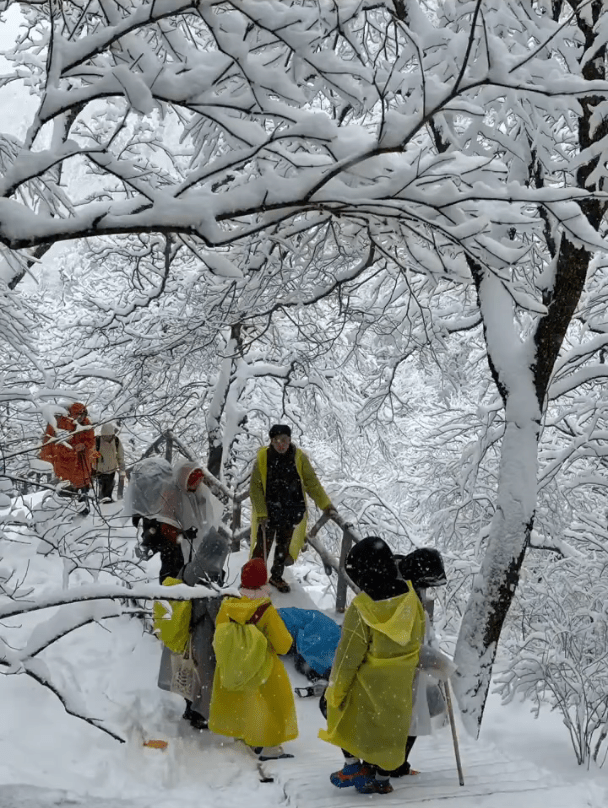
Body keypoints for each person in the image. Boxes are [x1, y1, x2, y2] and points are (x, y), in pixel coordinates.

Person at [318, 536, 425, 796]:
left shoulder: (362, 608)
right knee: (390, 728)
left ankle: (353, 766)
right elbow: (419, 635)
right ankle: (380, 777)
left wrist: (335, 691)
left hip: (369, 687)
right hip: (399, 688)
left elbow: (347, 657)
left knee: (331, 703)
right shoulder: (411, 597)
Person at [208, 558, 298, 760]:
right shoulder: (265, 609)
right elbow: (283, 644)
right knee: (269, 705)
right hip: (263, 667)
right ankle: (270, 747)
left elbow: (220, 630)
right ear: (263, 582)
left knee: (242, 701)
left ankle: (243, 737)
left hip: (234, 666)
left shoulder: (228, 604)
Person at [157, 526, 230, 730]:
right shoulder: (211, 574)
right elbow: (211, 607)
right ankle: (200, 716)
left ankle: (190, 709)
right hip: (203, 634)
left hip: (186, 630)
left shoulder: (190, 567)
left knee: (189, 671)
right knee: (204, 676)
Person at [390, 548, 454, 778]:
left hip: (412, 664)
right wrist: (431, 657)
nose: (426, 591)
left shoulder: (411, 588)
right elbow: (408, 636)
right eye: (425, 584)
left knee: (414, 714)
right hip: (399, 665)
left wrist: (434, 653)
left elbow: (425, 629)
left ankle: (397, 764)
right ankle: (391, 765)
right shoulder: (396, 593)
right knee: (405, 717)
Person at [249, 424, 336, 593]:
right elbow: (255, 487)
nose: (281, 444)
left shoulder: (298, 457)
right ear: (271, 442)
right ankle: (254, 578)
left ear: (290, 440)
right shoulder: (263, 457)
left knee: (283, 546)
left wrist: (326, 504)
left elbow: (312, 483)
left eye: (285, 440)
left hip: (290, 510)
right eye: (277, 441)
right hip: (268, 510)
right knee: (262, 546)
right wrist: (261, 512)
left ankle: (276, 576)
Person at [123, 457, 223, 583]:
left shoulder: (189, 490)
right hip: (166, 536)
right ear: (185, 480)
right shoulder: (171, 494)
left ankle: (177, 587)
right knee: (172, 562)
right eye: (194, 484)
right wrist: (184, 535)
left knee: (178, 561)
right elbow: (167, 527)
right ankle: (169, 591)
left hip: (174, 534)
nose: (197, 486)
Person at [40, 402, 97, 515]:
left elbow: (91, 441)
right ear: (72, 414)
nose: (81, 417)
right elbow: (52, 445)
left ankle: (84, 514)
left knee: (83, 490)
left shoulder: (86, 423)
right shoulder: (60, 423)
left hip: (83, 465)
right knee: (66, 493)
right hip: (66, 467)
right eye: (78, 414)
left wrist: (84, 445)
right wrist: (72, 450)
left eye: (83, 414)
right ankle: (66, 516)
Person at [94, 421, 125, 503]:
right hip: (100, 470)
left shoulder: (116, 441)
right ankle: (103, 501)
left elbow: (120, 456)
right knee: (102, 487)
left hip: (112, 470)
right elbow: (92, 456)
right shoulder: (97, 441)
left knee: (109, 485)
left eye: (109, 436)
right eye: (105, 436)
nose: (107, 438)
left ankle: (108, 500)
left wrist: (122, 469)